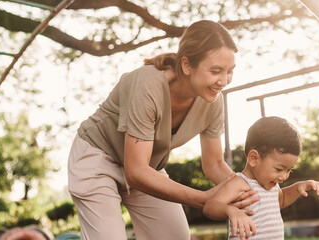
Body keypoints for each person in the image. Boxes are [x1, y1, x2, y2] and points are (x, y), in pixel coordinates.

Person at [67, 20, 258, 240]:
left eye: (230, 71)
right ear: (187, 65)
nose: (223, 81)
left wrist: (249, 190)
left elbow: (214, 164)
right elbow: (135, 170)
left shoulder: (213, 103)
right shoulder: (148, 85)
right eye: (216, 71)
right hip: (98, 159)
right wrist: (202, 198)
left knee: (175, 236)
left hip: (146, 167)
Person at [203, 116, 319, 240]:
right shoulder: (240, 183)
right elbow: (210, 206)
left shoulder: (271, 183)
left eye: (289, 170)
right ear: (254, 158)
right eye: (279, 169)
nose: (284, 176)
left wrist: (298, 187)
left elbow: (282, 199)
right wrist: (230, 211)